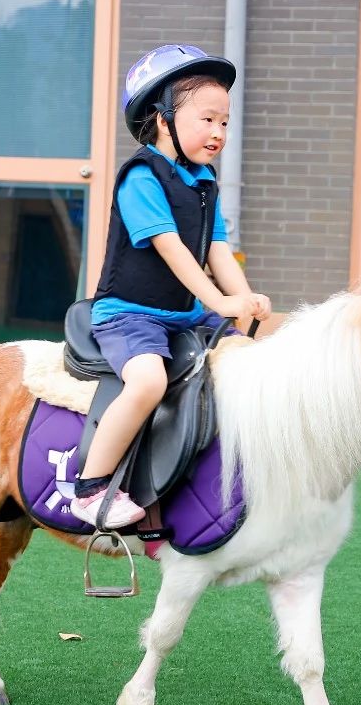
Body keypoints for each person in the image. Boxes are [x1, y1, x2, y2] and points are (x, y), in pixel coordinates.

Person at [70, 44, 271, 529]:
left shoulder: (203, 180)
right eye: (207, 120)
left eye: (225, 122)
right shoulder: (141, 178)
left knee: (247, 362)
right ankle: (92, 486)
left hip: (183, 314)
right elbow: (172, 249)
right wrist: (219, 300)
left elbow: (217, 247)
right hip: (129, 314)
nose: (219, 132)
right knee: (148, 382)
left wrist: (244, 300)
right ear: (164, 121)